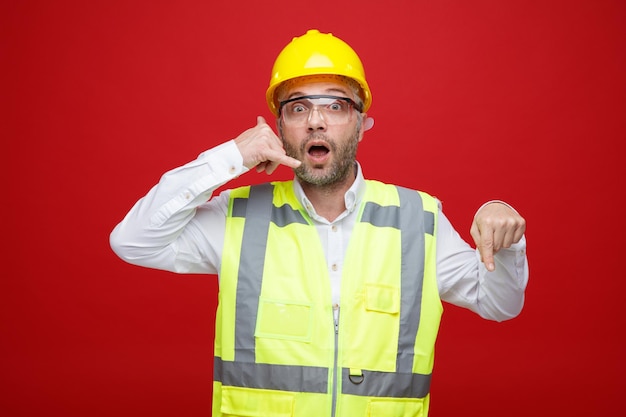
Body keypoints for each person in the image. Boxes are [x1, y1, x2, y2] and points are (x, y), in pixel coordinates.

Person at [110, 29, 528, 417]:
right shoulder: (235, 216)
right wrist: (231, 156)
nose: (315, 120)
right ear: (279, 130)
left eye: (335, 104)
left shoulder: (419, 220)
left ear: (362, 126)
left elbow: (500, 304)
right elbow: (133, 241)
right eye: (297, 107)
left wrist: (505, 240)